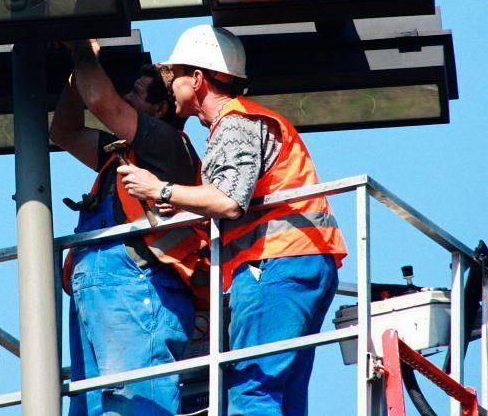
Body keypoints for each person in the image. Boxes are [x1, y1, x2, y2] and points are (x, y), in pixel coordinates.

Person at [117, 25, 347, 416]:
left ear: (199, 79)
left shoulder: (235, 122)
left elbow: (228, 201)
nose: (170, 85)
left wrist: (162, 191)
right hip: (305, 261)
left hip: (274, 263)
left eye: (177, 76)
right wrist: (187, 206)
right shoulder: (249, 120)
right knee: (284, 393)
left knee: (251, 391)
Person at [50, 39, 206, 416]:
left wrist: (83, 51)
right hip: (99, 289)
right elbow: (65, 132)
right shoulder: (122, 152)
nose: (126, 96)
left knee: (135, 401)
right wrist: (78, 73)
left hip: (139, 285)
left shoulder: (166, 142)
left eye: (137, 93)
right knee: (91, 405)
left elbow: (103, 104)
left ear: (160, 108)